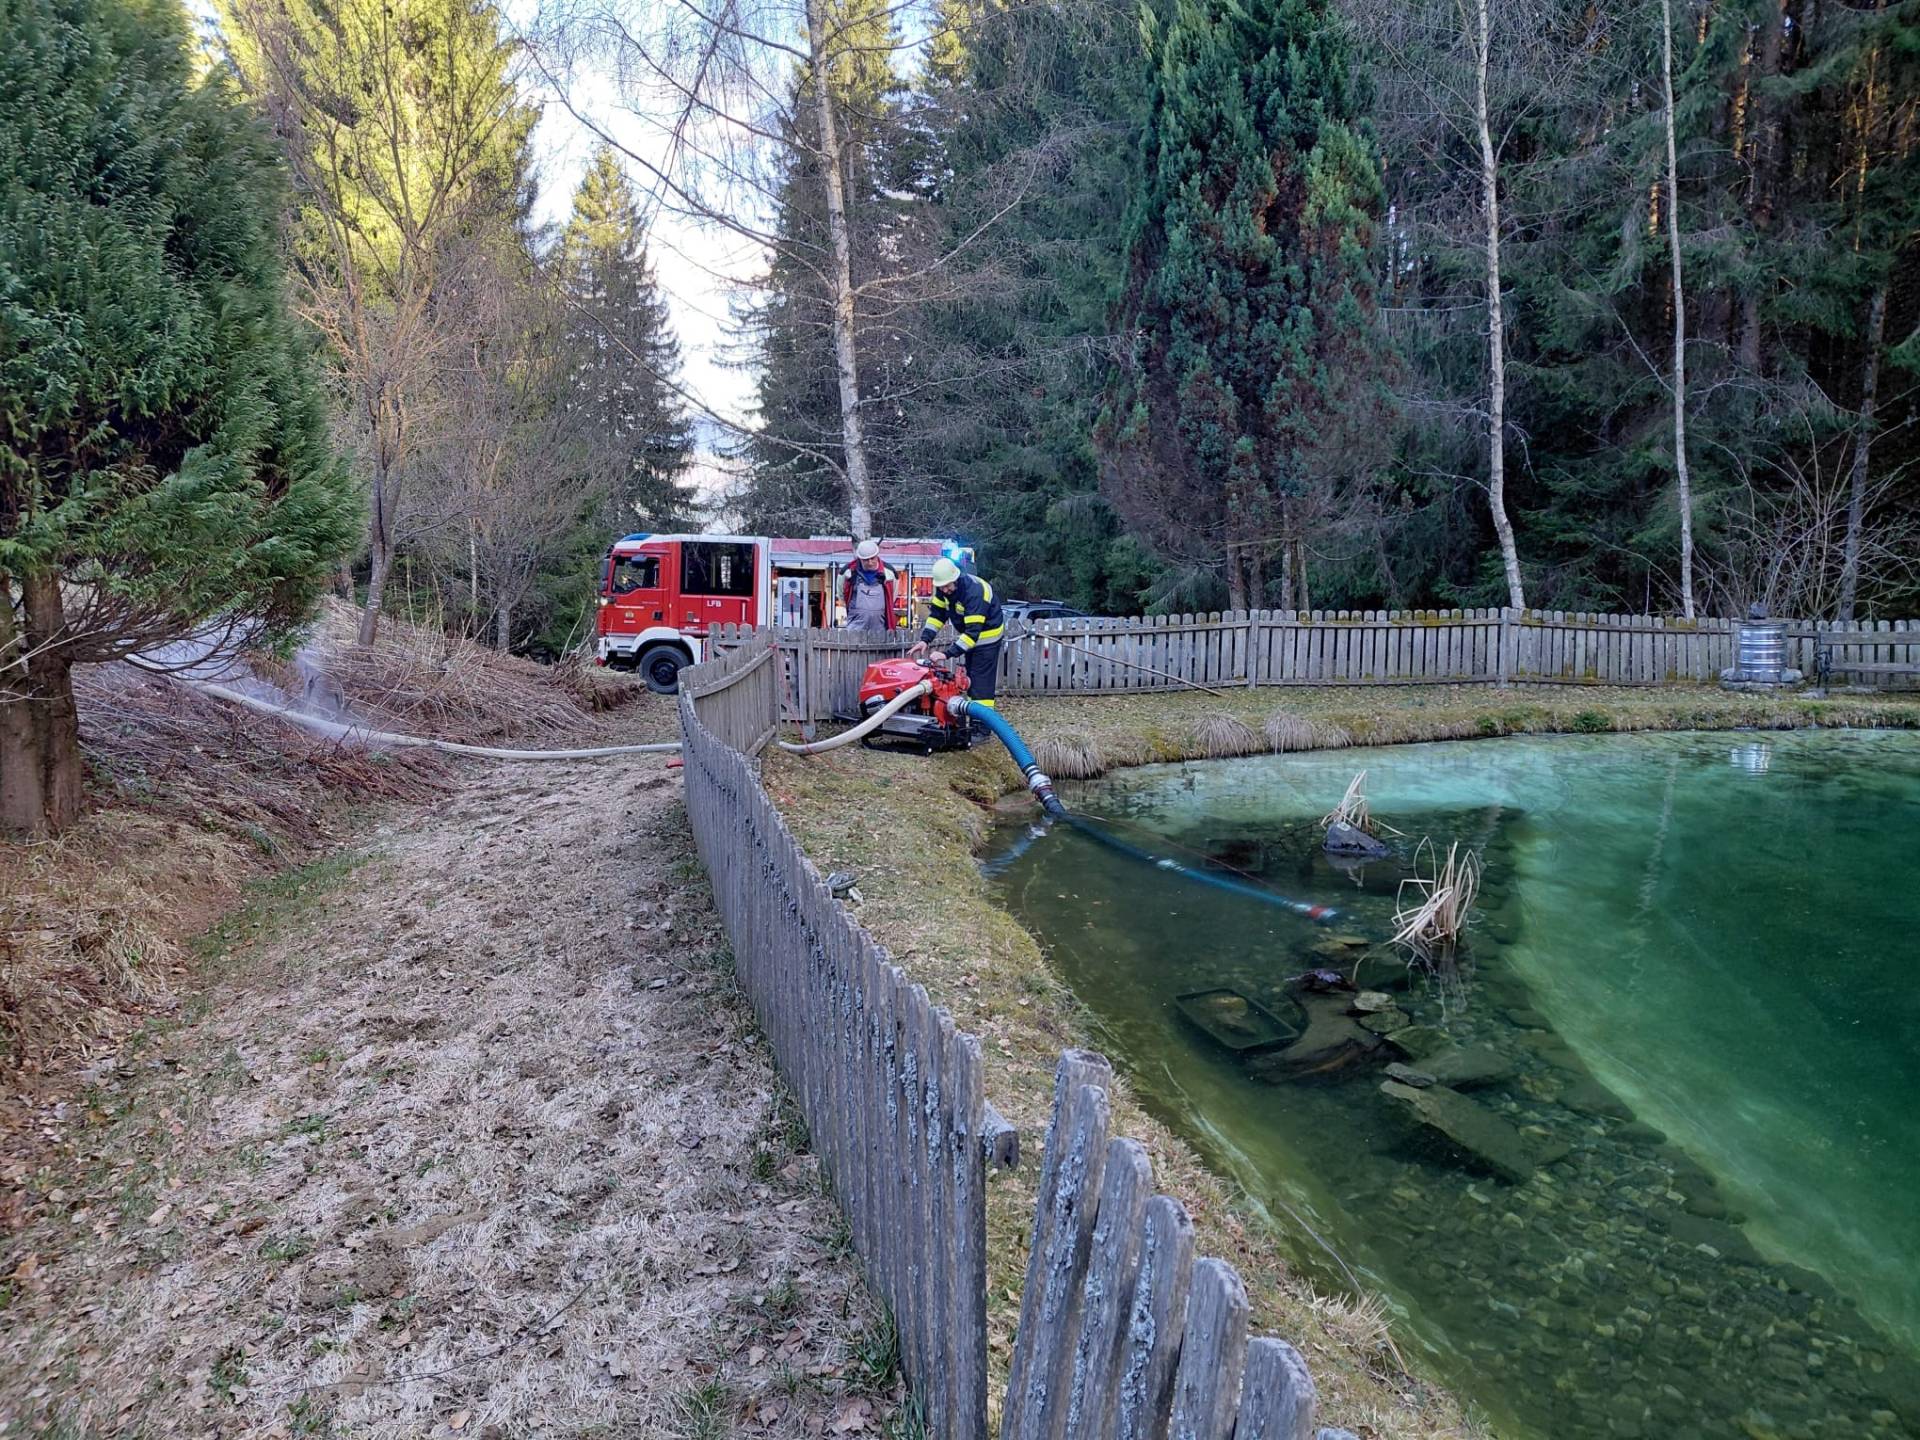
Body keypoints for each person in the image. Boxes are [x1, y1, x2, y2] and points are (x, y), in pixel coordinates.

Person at [909, 557, 1005, 715]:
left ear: (956, 579)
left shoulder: (974, 592)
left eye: (947, 586)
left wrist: (946, 654)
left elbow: (972, 634)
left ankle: (981, 727)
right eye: (941, 587)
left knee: (981, 684)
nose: (945, 590)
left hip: (988, 638)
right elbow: (937, 615)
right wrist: (925, 639)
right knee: (972, 681)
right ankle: (973, 719)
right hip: (971, 636)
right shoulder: (943, 589)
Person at [842, 539, 897, 633]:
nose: (870, 562)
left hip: (880, 628)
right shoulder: (848, 572)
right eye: (866, 560)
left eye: (873, 558)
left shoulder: (889, 573)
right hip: (855, 628)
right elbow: (842, 595)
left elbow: (892, 596)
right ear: (859, 558)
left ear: (877, 555)